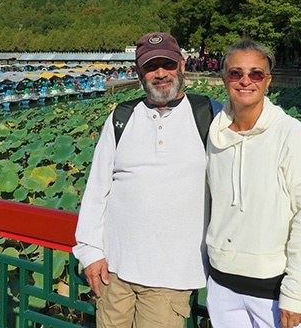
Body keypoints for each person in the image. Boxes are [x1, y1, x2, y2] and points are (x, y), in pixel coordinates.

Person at [73, 32, 213, 328]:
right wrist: (90, 252)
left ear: (182, 65)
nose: (160, 73)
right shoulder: (121, 118)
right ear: (139, 73)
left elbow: (259, 138)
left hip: (171, 277)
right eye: (151, 67)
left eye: (167, 64)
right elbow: (98, 189)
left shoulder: (209, 114)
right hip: (115, 272)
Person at [206, 39, 301, 328]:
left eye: (256, 74)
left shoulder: (289, 133)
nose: (245, 81)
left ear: (268, 81)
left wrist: (296, 291)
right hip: (222, 283)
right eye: (236, 73)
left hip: (273, 289)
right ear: (225, 79)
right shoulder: (214, 133)